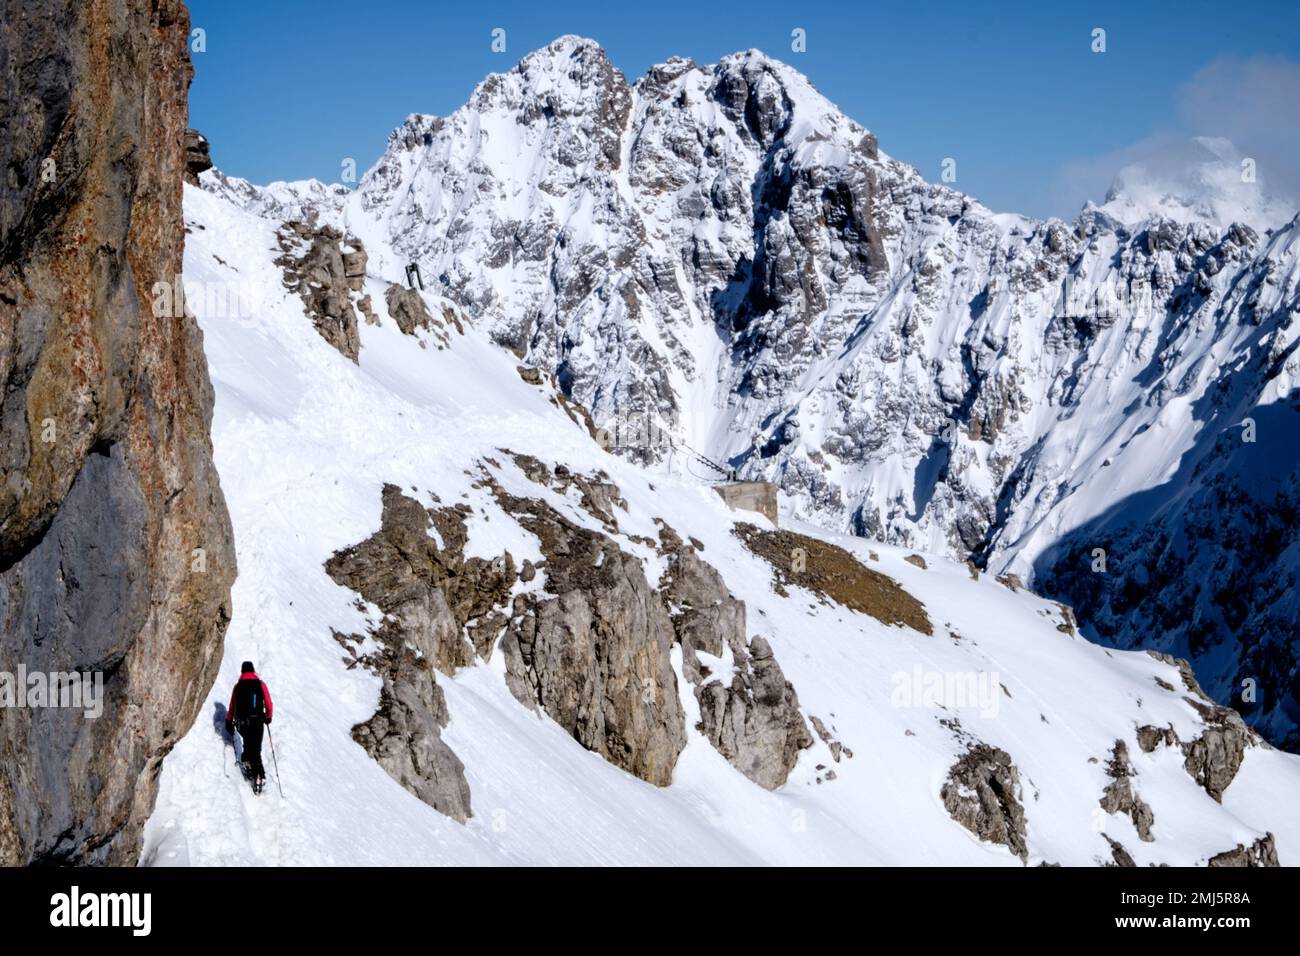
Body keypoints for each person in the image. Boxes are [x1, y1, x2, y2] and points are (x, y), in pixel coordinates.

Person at [225, 661, 273, 789]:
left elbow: (232, 706)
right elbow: (268, 703)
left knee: (248, 746)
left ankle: (249, 766)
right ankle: (259, 776)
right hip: (257, 722)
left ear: (242, 672)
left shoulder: (238, 686)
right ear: (252, 671)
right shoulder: (260, 684)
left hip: (243, 723)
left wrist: (228, 720)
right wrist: (268, 716)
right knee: (256, 749)